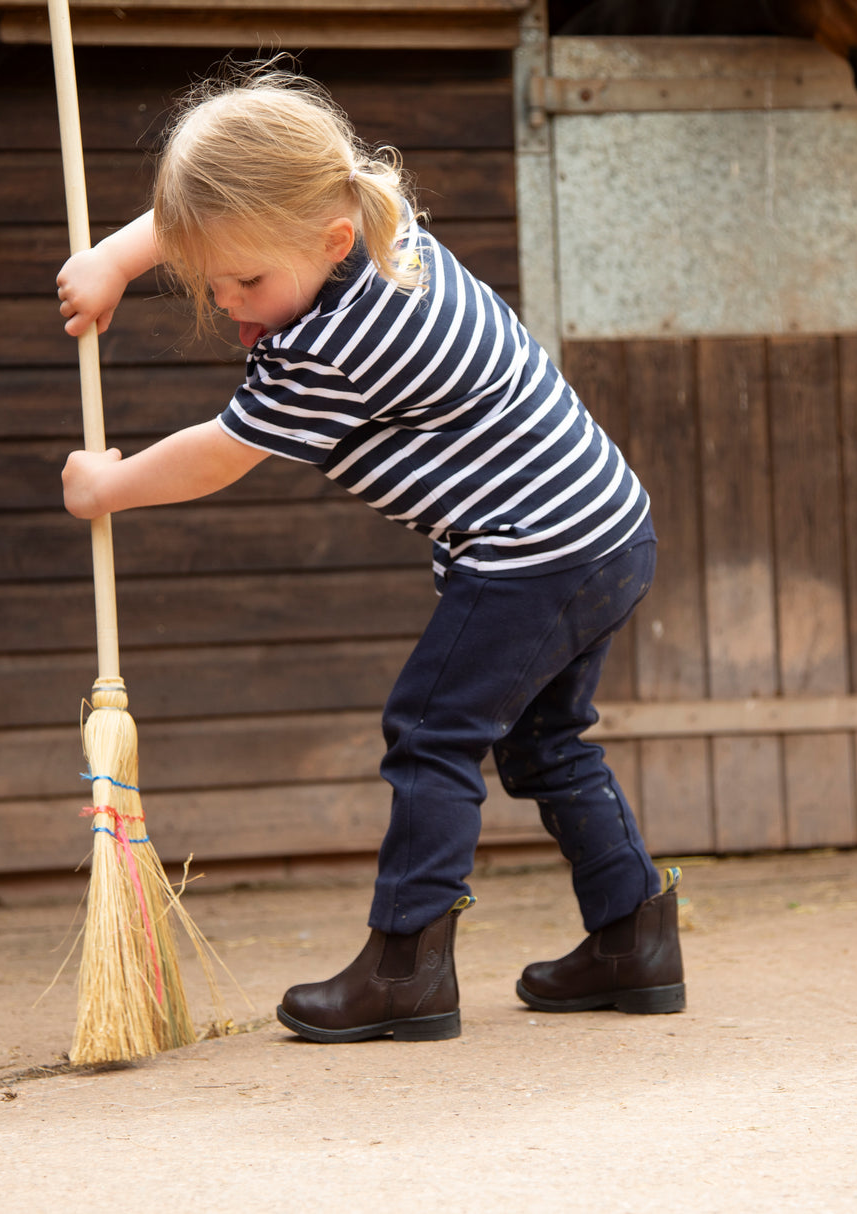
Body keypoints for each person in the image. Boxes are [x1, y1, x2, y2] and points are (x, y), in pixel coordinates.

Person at [56, 63, 685, 1044]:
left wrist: (111, 483)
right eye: (206, 277)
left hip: (539, 551)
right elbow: (216, 206)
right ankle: (632, 937)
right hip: (603, 527)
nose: (228, 300)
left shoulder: (340, 337)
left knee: (429, 729)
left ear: (326, 242)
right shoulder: (372, 219)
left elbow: (223, 453)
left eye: (247, 280)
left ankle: (407, 964)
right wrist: (115, 259)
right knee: (541, 739)